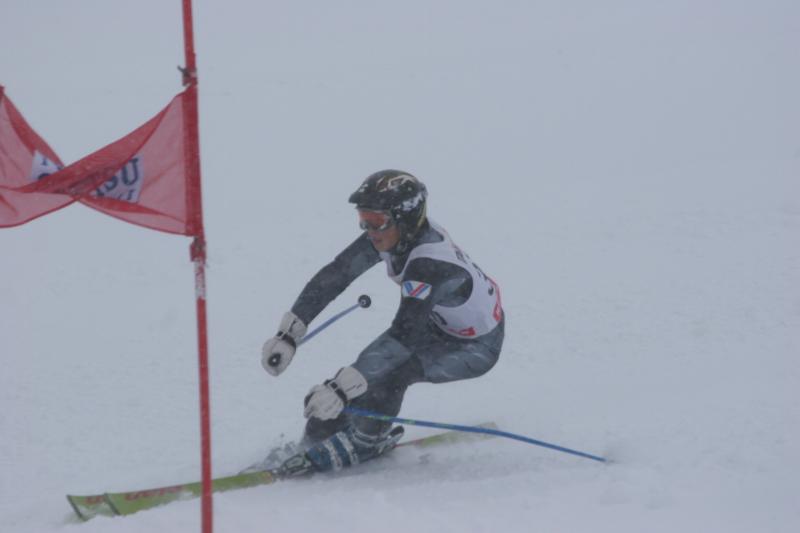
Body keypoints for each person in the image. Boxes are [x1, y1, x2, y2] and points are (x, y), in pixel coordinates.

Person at [260, 169, 505, 475]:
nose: (369, 230)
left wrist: (340, 388)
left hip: (475, 346)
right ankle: (312, 441)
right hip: (432, 324)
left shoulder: (429, 265)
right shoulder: (394, 236)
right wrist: (290, 330)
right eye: (363, 219)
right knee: (358, 377)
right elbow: (338, 273)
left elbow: (403, 336)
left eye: (376, 221)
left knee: (390, 375)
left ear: (406, 218)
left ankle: (367, 441)